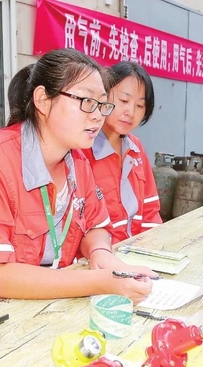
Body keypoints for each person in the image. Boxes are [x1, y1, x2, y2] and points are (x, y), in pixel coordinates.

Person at [0, 48, 157, 314]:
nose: (98, 115)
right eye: (87, 101)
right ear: (43, 100)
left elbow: (94, 226)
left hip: (50, 307)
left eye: (102, 104)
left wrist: (101, 253)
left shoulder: (78, 162)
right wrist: (98, 281)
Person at [83, 61, 162, 244]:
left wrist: (154, 249)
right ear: (103, 97)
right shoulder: (82, 149)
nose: (131, 112)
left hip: (136, 252)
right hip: (96, 257)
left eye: (140, 106)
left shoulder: (136, 147)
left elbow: (150, 212)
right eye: (124, 101)